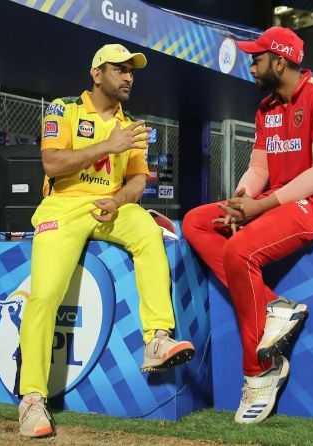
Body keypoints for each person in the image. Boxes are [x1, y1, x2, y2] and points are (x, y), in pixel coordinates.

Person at [17, 44, 195, 438]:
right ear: (97, 74)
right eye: (119, 70)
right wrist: (106, 146)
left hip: (110, 208)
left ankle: (157, 339)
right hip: (63, 207)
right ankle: (31, 399)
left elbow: (136, 180)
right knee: (44, 294)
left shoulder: (133, 125)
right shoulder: (63, 109)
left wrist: (118, 200)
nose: (129, 77)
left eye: (132, 71)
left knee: (150, 234)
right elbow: (52, 164)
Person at [182, 27, 313, 424]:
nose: (251, 65)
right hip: (277, 201)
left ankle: (261, 372)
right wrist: (242, 200)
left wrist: (261, 207)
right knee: (196, 222)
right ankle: (275, 303)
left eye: (256, 58)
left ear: (280, 61)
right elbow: (259, 166)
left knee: (239, 250)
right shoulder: (266, 107)